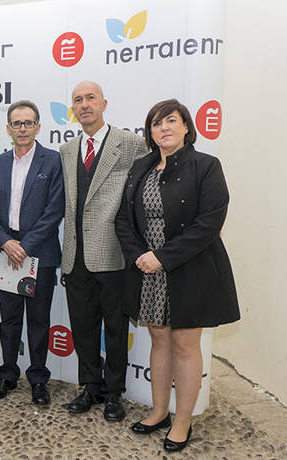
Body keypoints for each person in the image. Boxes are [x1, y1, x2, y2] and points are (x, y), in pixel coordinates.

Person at [115, 99, 239, 452]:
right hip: (147, 270)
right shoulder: (141, 167)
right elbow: (123, 218)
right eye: (156, 123)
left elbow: (210, 222)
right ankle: (158, 412)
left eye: (171, 120)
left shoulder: (206, 166)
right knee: (159, 339)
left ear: (186, 127)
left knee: (185, 344)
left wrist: (162, 258)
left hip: (189, 268)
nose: (164, 128)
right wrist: (140, 256)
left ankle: (182, 421)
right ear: (150, 133)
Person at [59, 81, 147, 421]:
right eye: (78, 100)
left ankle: (114, 394)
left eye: (90, 98)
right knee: (82, 326)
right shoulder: (68, 150)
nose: (84, 105)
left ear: (103, 103)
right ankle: (90, 386)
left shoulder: (129, 143)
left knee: (114, 328)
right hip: (75, 254)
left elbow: (146, 185)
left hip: (112, 253)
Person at [0, 100, 64, 405]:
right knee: (9, 320)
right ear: (8, 129)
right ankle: (8, 375)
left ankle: (39, 378)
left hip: (39, 252)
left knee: (39, 320)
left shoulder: (52, 161)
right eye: (17, 123)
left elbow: (55, 210)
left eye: (28, 123)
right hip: (5, 250)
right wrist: (6, 242)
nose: (22, 128)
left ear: (38, 127)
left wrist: (25, 247)